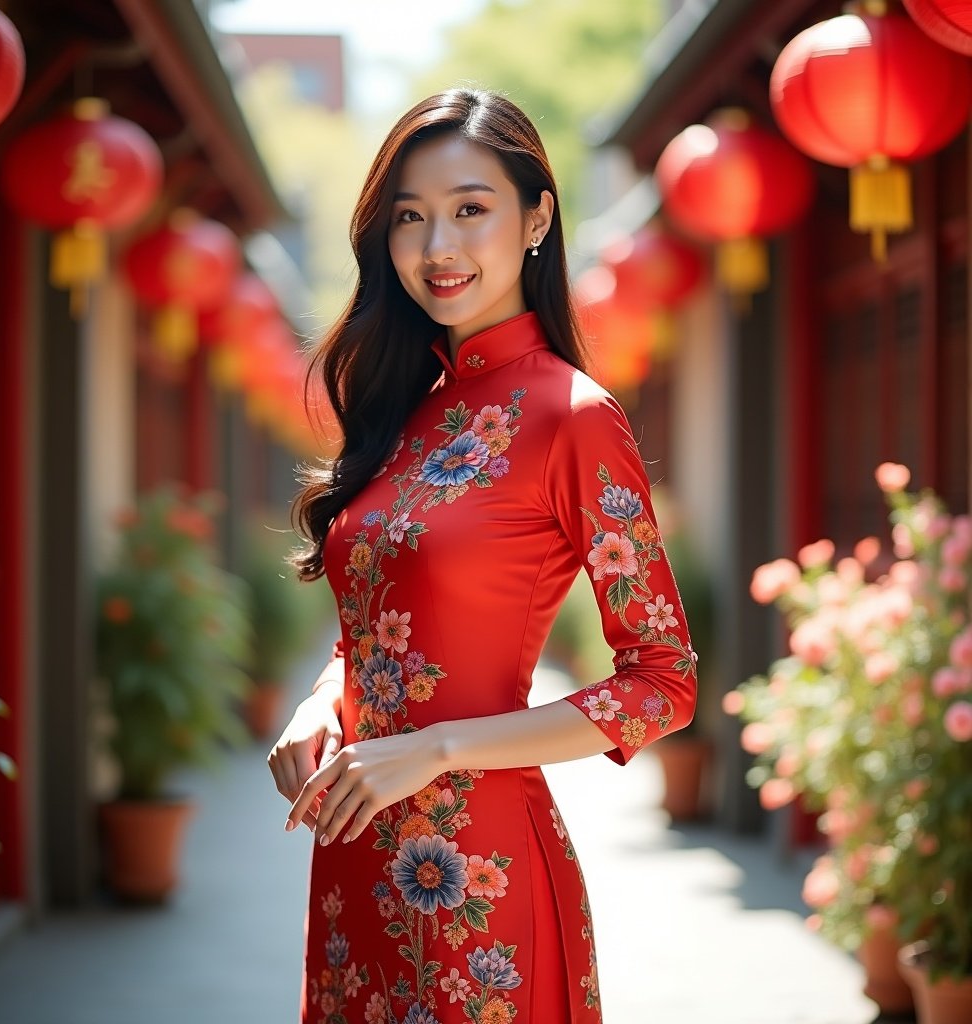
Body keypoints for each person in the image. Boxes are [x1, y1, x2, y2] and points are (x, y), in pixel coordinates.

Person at [268, 88, 698, 1024]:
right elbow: (381, 630)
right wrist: (318, 706)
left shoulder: (572, 417)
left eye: (471, 209)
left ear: (536, 215)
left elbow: (662, 682)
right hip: (354, 865)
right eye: (410, 219)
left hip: (478, 888)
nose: (438, 249)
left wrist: (440, 749)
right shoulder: (407, 412)